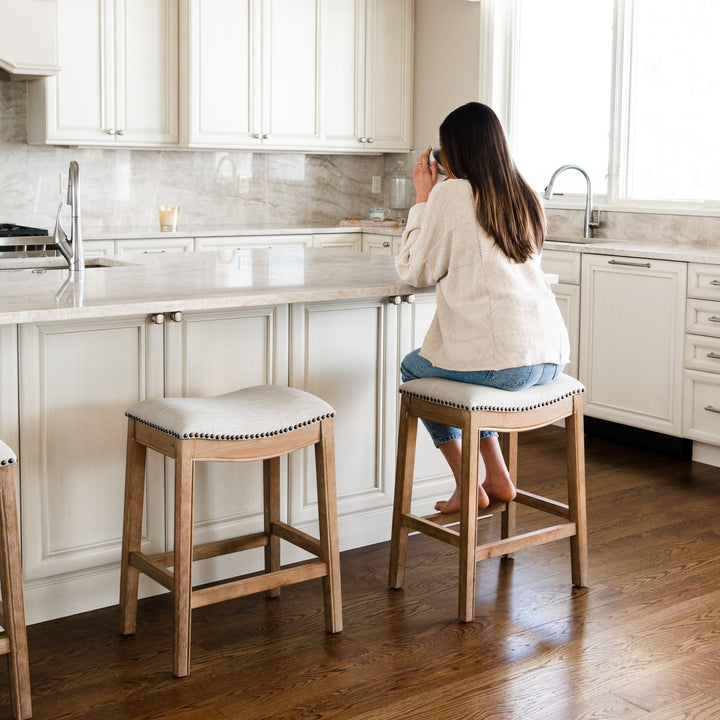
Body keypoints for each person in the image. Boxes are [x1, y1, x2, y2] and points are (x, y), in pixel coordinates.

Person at [396, 102, 570, 514]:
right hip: (549, 356)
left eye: (442, 150)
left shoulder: (452, 193)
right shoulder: (523, 193)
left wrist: (423, 197)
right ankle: (497, 475)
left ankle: (467, 483)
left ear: (456, 150)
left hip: (505, 363)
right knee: (481, 370)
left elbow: (413, 269)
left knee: (412, 367)